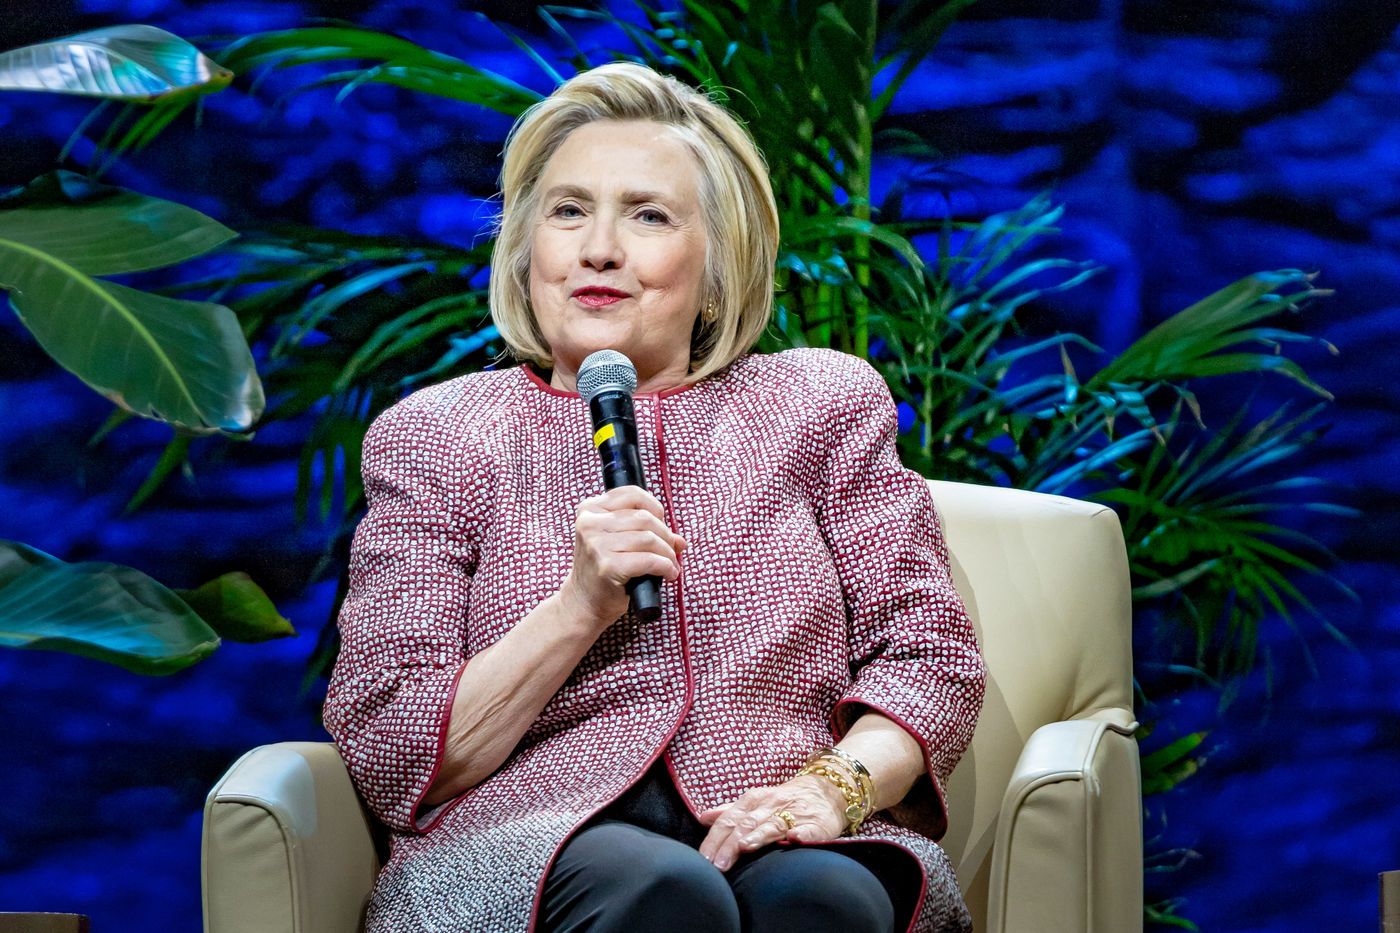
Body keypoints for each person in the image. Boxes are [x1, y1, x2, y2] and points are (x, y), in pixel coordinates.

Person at [323, 61, 986, 933]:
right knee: (660, 893)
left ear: (716, 266)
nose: (599, 248)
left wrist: (830, 790)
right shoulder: (438, 437)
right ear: (525, 252)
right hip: (531, 840)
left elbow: (929, 656)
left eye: (648, 215)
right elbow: (391, 744)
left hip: (781, 815)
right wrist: (577, 607)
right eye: (568, 211)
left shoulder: (820, 403)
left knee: (826, 899)